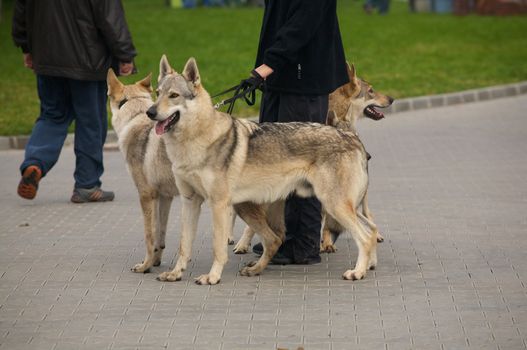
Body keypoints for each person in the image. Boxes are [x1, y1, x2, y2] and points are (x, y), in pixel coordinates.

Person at [248, 0, 349, 265]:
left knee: (303, 165)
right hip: (280, 78)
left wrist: (269, 64)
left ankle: (303, 245)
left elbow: (304, 22)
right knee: (275, 163)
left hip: (304, 80)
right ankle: (279, 237)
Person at [12, 0, 136, 203]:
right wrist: (125, 54)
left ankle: (34, 163)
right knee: (91, 121)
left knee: (52, 115)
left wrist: (26, 47)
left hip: (46, 56)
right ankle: (87, 185)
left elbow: (21, 12)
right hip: (88, 60)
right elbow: (110, 16)